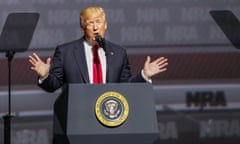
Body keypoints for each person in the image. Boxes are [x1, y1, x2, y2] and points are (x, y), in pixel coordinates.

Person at [28, 5, 168, 143]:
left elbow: (126, 88)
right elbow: (53, 85)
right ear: (83, 27)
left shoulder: (118, 53)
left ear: (105, 25)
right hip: (77, 125)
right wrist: (44, 76)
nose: (95, 28)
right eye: (90, 23)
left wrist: (144, 75)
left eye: (98, 22)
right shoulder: (66, 52)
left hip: (110, 124)